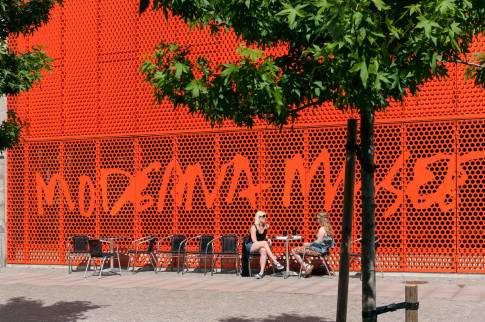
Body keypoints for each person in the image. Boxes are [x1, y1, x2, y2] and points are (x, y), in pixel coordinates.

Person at [291, 211, 334, 277]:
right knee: (301, 249)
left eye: (317, 218)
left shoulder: (322, 229)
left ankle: (307, 266)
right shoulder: (329, 228)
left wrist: (308, 244)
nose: (316, 220)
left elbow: (317, 243)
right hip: (323, 250)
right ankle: (307, 266)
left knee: (294, 251)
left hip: (317, 251)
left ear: (321, 219)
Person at [247, 211, 284, 279]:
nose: (265, 217)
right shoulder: (253, 227)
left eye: (265, 216)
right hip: (251, 245)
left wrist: (268, 238)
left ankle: (261, 273)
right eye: (263, 216)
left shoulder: (265, 226)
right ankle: (275, 262)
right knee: (264, 243)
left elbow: (264, 236)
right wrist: (264, 242)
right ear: (259, 217)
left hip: (260, 245)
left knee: (264, 250)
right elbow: (254, 240)